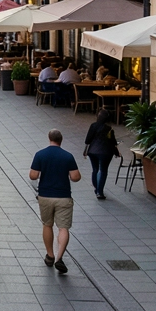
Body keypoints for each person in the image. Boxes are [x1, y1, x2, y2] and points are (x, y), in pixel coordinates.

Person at [30, 129, 82, 274]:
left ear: (49, 139)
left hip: (45, 196)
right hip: (63, 197)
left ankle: (50, 255)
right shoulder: (68, 156)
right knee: (63, 228)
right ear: (61, 140)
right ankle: (60, 257)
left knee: (47, 225)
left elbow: (33, 175)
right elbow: (76, 177)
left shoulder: (40, 154)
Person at [84, 109, 121, 200]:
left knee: (95, 169)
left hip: (92, 151)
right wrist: (116, 152)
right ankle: (100, 192)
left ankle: (96, 188)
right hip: (105, 152)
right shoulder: (109, 128)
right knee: (103, 170)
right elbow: (113, 142)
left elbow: (87, 140)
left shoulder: (93, 126)